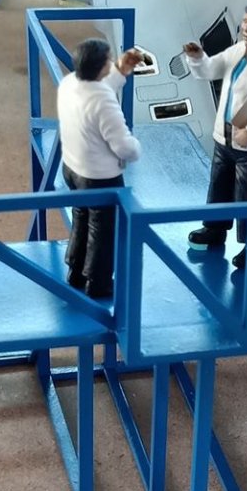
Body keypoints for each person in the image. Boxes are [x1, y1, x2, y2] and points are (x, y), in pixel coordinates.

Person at [184, 2, 247, 270]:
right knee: (218, 185)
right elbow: (210, 70)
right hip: (225, 137)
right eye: (244, 22)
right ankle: (215, 228)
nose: (246, 28)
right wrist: (197, 58)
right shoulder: (237, 51)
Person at [58, 39, 143, 298]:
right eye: (109, 60)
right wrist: (137, 148)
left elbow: (96, 88)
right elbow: (124, 147)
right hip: (99, 178)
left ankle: (75, 271)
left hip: (72, 168)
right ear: (100, 66)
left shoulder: (69, 83)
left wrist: (120, 71)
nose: (111, 61)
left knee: (81, 218)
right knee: (103, 231)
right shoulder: (103, 100)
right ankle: (98, 283)